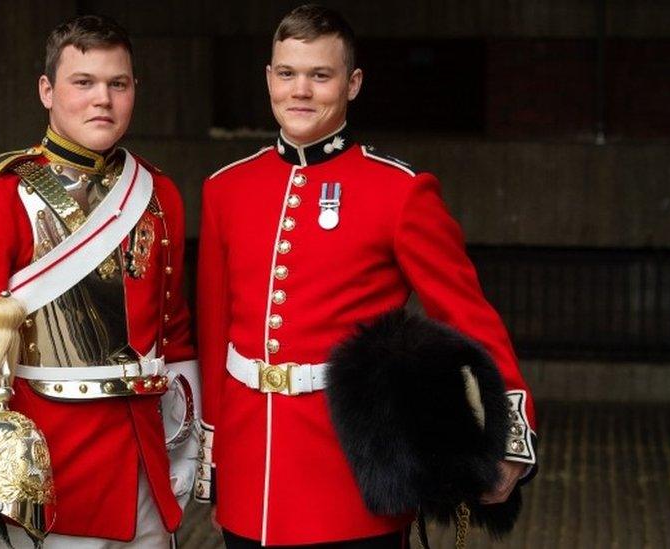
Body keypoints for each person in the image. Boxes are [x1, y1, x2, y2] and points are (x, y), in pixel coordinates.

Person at [194, 5, 538, 548]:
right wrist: (213, 464)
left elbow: (468, 317)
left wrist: (508, 438)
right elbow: (216, 336)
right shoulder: (227, 188)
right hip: (249, 474)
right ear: (269, 79)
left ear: (352, 84)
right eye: (287, 73)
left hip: (353, 474)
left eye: (320, 75)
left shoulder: (399, 192)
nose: (300, 90)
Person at [0, 14, 200, 549]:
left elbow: (173, 334)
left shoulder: (158, 193)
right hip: (43, 471)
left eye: (117, 84)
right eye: (84, 83)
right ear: (47, 90)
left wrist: (185, 445)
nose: (102, 99)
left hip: (147, 465)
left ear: (133, 92)